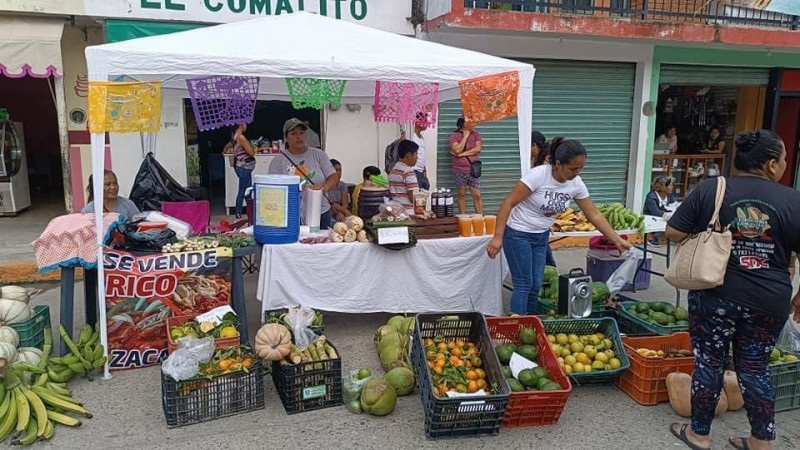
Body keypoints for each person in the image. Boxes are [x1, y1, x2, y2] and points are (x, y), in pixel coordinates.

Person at [665, 129, 800, 450]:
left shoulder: (712, 188)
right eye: (782, 160)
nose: (782, 165)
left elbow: (672, 231)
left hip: (715, 296)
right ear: (770, 164)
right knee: (755, 369)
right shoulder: (794, 199)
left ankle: (699, 435)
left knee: (709, 364)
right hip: (769, 300)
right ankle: (760, 442)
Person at [486, 137, 632, 314]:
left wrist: (616, 239)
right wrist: (497, 237)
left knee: (536, 284)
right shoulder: (539, 175)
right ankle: (516, 325)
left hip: (541, 236)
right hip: (518, 233)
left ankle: (531, 323)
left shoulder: (576, 183)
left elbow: (593, 214)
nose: (577, 172)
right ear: (558, 163)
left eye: (581, 168)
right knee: (524, 283)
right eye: (572, 168)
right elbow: (508, 203)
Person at [268, 118, 339, 228]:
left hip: (321, 211)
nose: (298, 137)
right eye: (293, 133)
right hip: (291, 214)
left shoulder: (319, 155)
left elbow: (333, 177)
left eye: (302, 133)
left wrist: (324, 188)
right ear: (286, 137)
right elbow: (272, 188)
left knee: (322, 243)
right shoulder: (278, 161)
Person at [530, 131, 557, 268]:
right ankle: (551, 271)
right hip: (539, 215)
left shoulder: (545, 160)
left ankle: (551, 271)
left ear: (534, 145)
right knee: (543, 247)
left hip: (543, 212)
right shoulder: (536, 160)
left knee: (543, 248)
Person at [449, 117, 483, 215]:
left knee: (477, 194)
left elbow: (478, 149)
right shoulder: (454, 136)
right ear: (464, 124)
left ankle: (480, 217)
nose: (475, 125)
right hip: (459, 170)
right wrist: (465, 136)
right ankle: (462, 216)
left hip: (473, 169)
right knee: (461, 193)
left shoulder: (476, 135)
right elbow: (457, 150)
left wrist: (463, 154)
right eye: (472, 122)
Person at [231, 123, 256, 219]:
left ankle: (250, 212)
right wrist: (250, 145)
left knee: (247, 191)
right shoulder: (241, 137)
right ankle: (238, 212)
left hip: (241, 167)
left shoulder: (234, 136)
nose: (247, 125)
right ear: (241, 124)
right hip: (244, 168)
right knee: (243, 191)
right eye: (245, 122)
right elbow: (251, 152)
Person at [642, 176, 675, 247]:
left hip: (663, 217)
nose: (671, 187)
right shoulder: (651, 196)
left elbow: (673, 206)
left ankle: (670, 238)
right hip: (651, 219)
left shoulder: (669, 196)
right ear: (662, 187)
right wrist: (668, 215)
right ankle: (653, 239)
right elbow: (655, 212)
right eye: (669, 185)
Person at [388, 140, 419, 211]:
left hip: (396, 211)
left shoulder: (393, 170)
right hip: (408, 212)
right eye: (416, 154)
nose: (417, 158)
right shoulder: (408, 172)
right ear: (409, 155)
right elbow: (413, 198)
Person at [327, 159, 350, 224]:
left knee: (344, 220)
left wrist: (342, 212)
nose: (338, 173)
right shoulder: (326, 185)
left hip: (339, 212)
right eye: (336, 170)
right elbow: (330, 203)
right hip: (328, 212)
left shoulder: (342, 185)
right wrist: (345, 211)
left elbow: (345, 204)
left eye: (340, 170)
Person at [410, 112, 430, 191]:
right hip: (414, 169)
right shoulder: (412, 136)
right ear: (418, 122)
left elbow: (422, 154)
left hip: (421, 170)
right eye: (425, 121)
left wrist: (424, 170)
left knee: (424, 189)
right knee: (417, 194)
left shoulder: (421, 137)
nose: (427, 123)